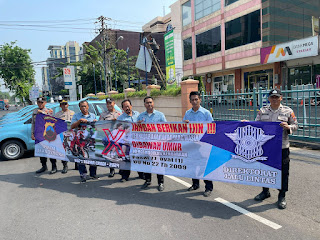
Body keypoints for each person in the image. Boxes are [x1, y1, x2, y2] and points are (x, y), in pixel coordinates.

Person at [254, 89, 298, 209]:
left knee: (283, 172)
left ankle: (282, 195)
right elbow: (255, 125)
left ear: (281, 98)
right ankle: (265, 191)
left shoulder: (288, 111)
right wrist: (244, 124)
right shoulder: (262, 111)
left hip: (282, 147)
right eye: (272, 97)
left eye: (276, 97)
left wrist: (288, 126)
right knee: (264, 170)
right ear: (269, 98)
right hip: (266, 147)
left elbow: (295, 125)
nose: (274, 99)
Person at [183, 91, 214, 197]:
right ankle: (195, 184)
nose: (195, 101)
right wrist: (185, 125)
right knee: (193, 165)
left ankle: (208, 187)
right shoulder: (188, 113)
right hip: (192, 144)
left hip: (203, 144)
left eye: (196, 99)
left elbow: (211, 128)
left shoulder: (206, 113)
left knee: (204, 166)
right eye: (192, 99)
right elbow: (183, 128)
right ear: (190, 101)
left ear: (200, 100)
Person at [137, 96, 167, 191]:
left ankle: (160, 182)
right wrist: (138, 125)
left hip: (157, 144)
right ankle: (147, 180)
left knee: (158, 164)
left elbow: (166, 128)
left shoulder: (160, 115)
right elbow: (136, 131)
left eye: (150, 102)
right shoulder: (141, 116)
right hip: (145, 144)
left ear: (153, 103)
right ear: (144, 104)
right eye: (147, 102)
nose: (149, 104)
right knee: (147, 163)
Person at [71, 100, 98, 183]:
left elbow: (97, 127)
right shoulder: (76, 116)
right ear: (79, 107)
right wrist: (79, 121)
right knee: (81, 157)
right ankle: (83, 175)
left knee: (92, 156)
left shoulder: (93, 115)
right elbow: (72, 126)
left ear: (88, 107)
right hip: (80, 140)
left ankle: (93, 173)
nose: (84, 108)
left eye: (85, 106)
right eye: (82, 106)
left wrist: (96, 123)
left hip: (91, 139)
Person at [117, 99, 141, 182]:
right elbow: (119, 130)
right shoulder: (121, 118)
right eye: (125, 107)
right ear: (122, 109)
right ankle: (125, 176)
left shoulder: (138, 114)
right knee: (127, 159)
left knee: (139, 158)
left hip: (138, 141)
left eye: (128, 106)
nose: (127, 108)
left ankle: (141, 174)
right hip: (127, 141)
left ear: (131, 106)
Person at [31, 97, 56, 174]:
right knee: (41, 151)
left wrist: (42, 113)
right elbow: (33, 123)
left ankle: (54, 167)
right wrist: (32, 133)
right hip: (38, 134)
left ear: (45, 103)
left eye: (42, 102)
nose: (40, 104)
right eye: (39, 102)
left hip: (48, 134)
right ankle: (44, 166)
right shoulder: (35, 111)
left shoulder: (49, 110)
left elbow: (51, 120)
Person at [99, 97, 122, 178]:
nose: (109, 105)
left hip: (118, 137)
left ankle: (120, 169)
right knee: (110, 154)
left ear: (114, 103)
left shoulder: (120, 114)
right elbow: (100, 126)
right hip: (108, 137)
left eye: (110, 103)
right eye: (107, 103)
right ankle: (111, 170)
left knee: (119, 153)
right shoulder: (103, 114)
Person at [54, 99, 75, 174]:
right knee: (63, 150)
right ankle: (65, 165)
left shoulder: (73, 113)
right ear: (60, 106)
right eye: (62, 104)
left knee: (74, 149)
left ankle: (76, 165)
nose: (64, 105)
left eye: (65, 104)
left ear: (68, 105)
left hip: (71, 134)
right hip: (62, 135)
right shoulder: (57, 114)